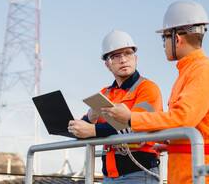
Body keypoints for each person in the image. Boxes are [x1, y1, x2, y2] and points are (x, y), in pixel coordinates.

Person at [101, 1, 209, 183]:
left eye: (165, 38)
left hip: (202, 174)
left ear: (177, 38)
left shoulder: (203, 70)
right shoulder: (189, 71)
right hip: (185, 170)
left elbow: (182, 118)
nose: (163, 45)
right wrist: (169, 142)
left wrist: (130, 118)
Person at [68, 30, 163, 184]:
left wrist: (91, 130)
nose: (123, 59)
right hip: (109, 175)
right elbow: (84, 130)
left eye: (127, 53)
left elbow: (137, 125)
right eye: (116, 56)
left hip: (139, 173)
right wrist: (88, 119)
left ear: (135, 57)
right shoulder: (105, 93)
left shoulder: (147, 88)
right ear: (107, 65)